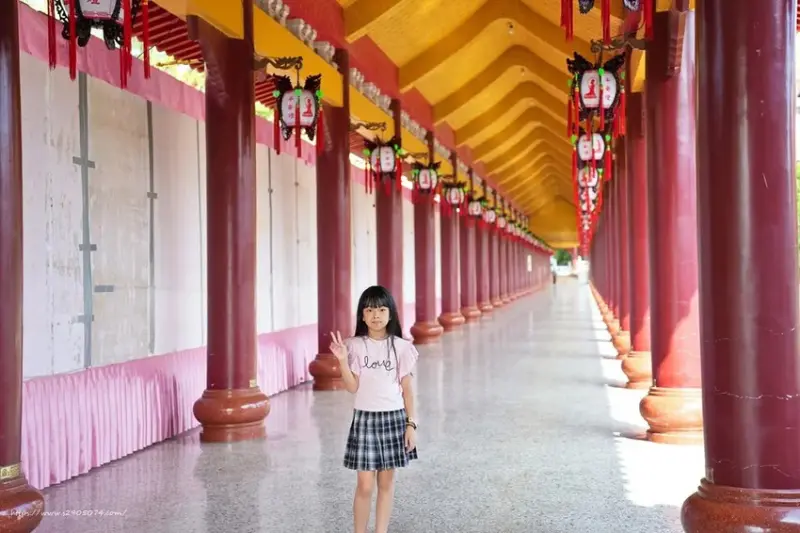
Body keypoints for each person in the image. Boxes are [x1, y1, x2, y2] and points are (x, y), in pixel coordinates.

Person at [329, 285, 419, 533]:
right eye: (369, 310)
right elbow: (352, 387)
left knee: (386, 484)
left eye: (381, 309)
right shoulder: (354, 345)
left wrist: (411, 424)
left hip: (394, 418)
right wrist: (342, 361)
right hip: (365, 419)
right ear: (362, 315)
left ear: (391, 314)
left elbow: (408, 390)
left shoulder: (401, 347)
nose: (375, 315)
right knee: (365, 484)